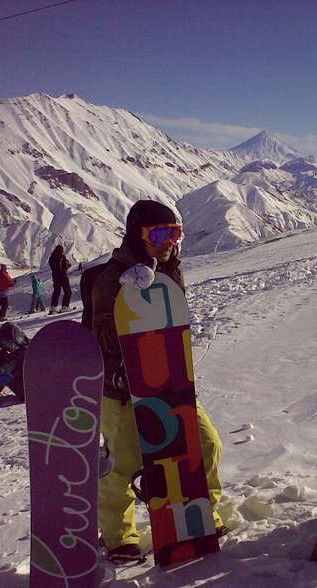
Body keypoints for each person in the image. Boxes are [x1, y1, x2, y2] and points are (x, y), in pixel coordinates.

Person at [86, 200, 225, 563]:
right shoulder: (109, 280)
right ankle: (119, 537)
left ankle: (201, 515)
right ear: (138, 235)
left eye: (174, 233)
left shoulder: (169, 270)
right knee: (122, 466)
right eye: (159, 235)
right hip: (121, 392)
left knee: (205, 444)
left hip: (170, 384)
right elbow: (101, 338)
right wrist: (132, 303)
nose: (168, 243)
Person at [48, 245, 72, 314]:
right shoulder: (62, 257)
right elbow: (65, 266)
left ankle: (53, 307)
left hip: (55, 277)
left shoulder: (51, 258)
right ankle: (65, 306)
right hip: (63, 276)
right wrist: (66, 267)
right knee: (68, 291)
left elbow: (53, 267)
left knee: (56, 292)